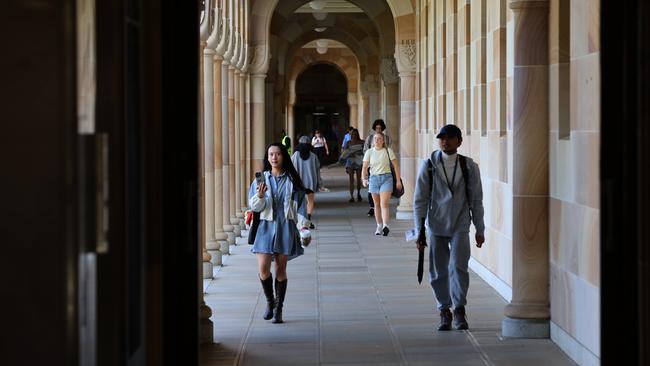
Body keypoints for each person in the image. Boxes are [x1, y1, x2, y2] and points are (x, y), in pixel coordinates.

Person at [412, 124, 485, 331]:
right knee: (438, 270)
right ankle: (444, 309)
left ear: (459, 141)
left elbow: (476, 199)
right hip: (436, 224)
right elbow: (420, 200)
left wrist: (480, 228)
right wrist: (420, 230)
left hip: (460, 224)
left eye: (450, 137)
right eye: (442, 138)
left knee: (458, 267)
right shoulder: (428, 165)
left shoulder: (469, 166)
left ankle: (459, 309)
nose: (444, 141)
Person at [249, 143, 312, 324]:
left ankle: (279, 309)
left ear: (283, 156)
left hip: (285, 227)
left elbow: (301, 207)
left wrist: (303, 228)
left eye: (277, 154)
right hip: (265, 228)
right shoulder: (260, 180)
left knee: (281, 269)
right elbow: (254, 207)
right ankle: (270, 301)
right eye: (271, 154)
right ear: (267, 158)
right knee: (263, 269)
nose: (274, 157)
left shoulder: (292, 180)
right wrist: (260, 196)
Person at [361, 132, 402, 236]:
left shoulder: (388, 151)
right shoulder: (369, 152)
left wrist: (398, 180)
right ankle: (379, 225)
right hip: (374, 179)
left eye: (379, 138)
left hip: (386, 178)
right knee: (376, 204)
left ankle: (385, 225)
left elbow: (396, 166)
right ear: (372, 141)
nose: (377, 140)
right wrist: (364, 179)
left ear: (383, 141)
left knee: (384, 203)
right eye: (375, 138)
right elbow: (364, 168)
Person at [363, 119, 392, 217]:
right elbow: (365, 150)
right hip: (373, 166)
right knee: (372, 189)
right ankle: (372, 207)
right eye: (377, 128)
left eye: (380, 128)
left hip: (384, 166)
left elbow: (389, 151)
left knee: (384, 190)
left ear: (383, 128)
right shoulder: (370, 138)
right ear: (374, 128)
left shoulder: (387, 139)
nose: (378, 130)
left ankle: (381, 207)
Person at [291, 136, 320, 229]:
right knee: (310, 202)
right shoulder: (313, 156)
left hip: (299, 183)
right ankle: (308, 220)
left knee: (299, 201)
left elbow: (291, 169)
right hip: (310, 183)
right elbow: (317, 170)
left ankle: (300, 221)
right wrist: (319, 183)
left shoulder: (295, 155)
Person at [342, 128, 364, 202]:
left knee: (358, 179)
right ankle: (351, 196)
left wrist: (359, 153)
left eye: (355, 134)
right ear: (351, 135)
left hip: (359, 161)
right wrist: (348, 154)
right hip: (350, 162)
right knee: (351, 180)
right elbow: (344, 152)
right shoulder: (348, 143)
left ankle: (358, 193)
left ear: (357, 134)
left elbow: (365, 152)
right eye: (352, 134)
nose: (354, 135)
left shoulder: (362, 142)